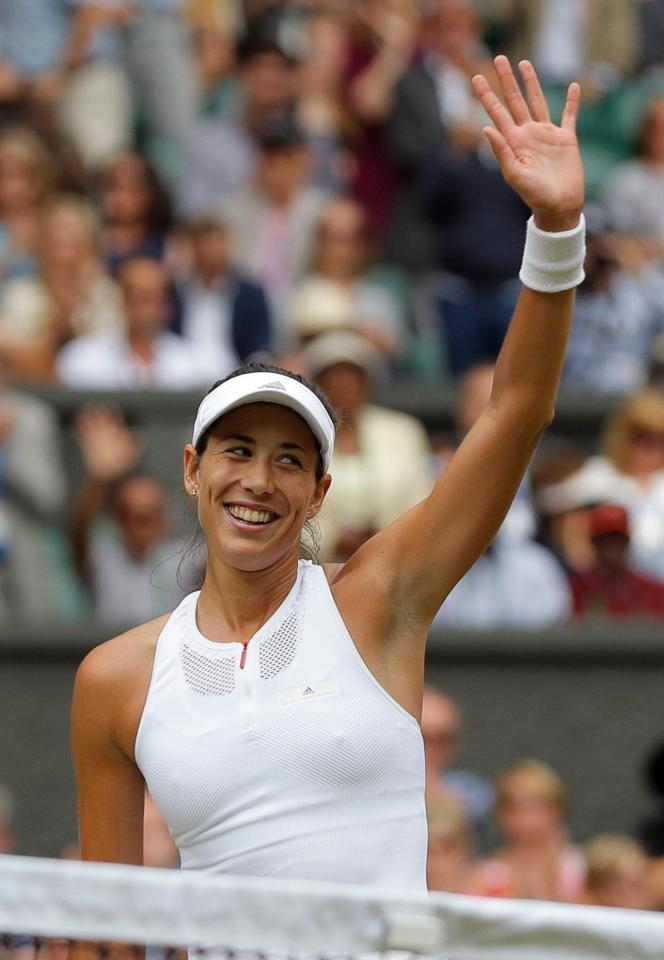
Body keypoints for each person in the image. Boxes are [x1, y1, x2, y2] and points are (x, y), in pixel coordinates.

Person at [71, 57, 586, 887]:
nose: (259, 481)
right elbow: (104, 932)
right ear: (192, 470)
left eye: (289, 461)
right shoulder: (113, 679)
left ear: (320, 493)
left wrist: (556, 231)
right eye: (237, 452)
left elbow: (516, 410)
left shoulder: (377, 600)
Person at [470, 759, 586, 902]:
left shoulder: (582, 868)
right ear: (499, 814)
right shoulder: (486, 874)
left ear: (556, 810)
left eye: (536, 806)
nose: (525, 817)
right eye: (513, 807)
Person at [570, 504, 664, 621]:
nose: (612, 545)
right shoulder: (576, 589)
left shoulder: (653, 590)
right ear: (594, 543)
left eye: (617, 538)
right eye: (605, 539)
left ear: (626, 541)